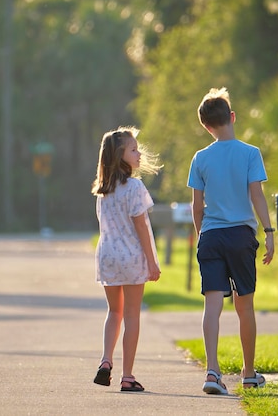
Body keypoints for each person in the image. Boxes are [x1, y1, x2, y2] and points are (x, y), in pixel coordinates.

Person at [187, 87, 274, 394]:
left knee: (212, 306)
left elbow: (196, 206)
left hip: (211, 236)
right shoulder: (250, 154)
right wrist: (269, 231)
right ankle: (249, 373)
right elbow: (257, 196)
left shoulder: (200, 158)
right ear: (232, 117)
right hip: (241, 235)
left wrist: (202, 236)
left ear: (206, 127)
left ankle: (212, 373)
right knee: (244, 306)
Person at [91, 126, 162, 392]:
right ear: (121, 156)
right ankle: (128, 376)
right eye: (133, 149)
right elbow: (141, 227)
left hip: (108, 255)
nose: (139, 153)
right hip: (131, 256)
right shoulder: (134, 187)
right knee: (132, 315)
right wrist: (152, 262)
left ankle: (106, 360)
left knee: (114, 312)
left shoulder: (103, 190)